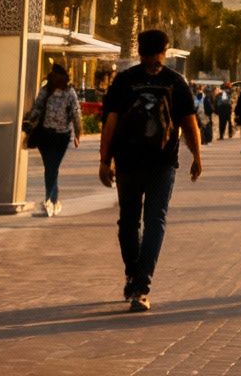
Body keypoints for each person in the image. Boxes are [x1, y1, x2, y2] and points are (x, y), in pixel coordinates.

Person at [99, 29, 202, 311]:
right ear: (165, 49)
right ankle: (142, 285)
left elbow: (110, 122)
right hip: (163, 162)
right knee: (156, 220)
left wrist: (104, 160)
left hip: (127, 161)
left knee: (128, 220)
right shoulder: (175, 81)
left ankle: (133, 275)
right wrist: (197, 157)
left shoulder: (124, 80)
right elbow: (189, 123)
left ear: (140, 49)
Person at [25, 63, 82, 216]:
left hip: (56, 136)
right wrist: (78, 133)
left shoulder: (62, 92)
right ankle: (52, 201)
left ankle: (50, 200)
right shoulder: (54, 91)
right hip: (51, 136)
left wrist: (78, 133)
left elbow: (75, 113)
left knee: (51, 168)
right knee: (51, 168)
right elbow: (76, 113)